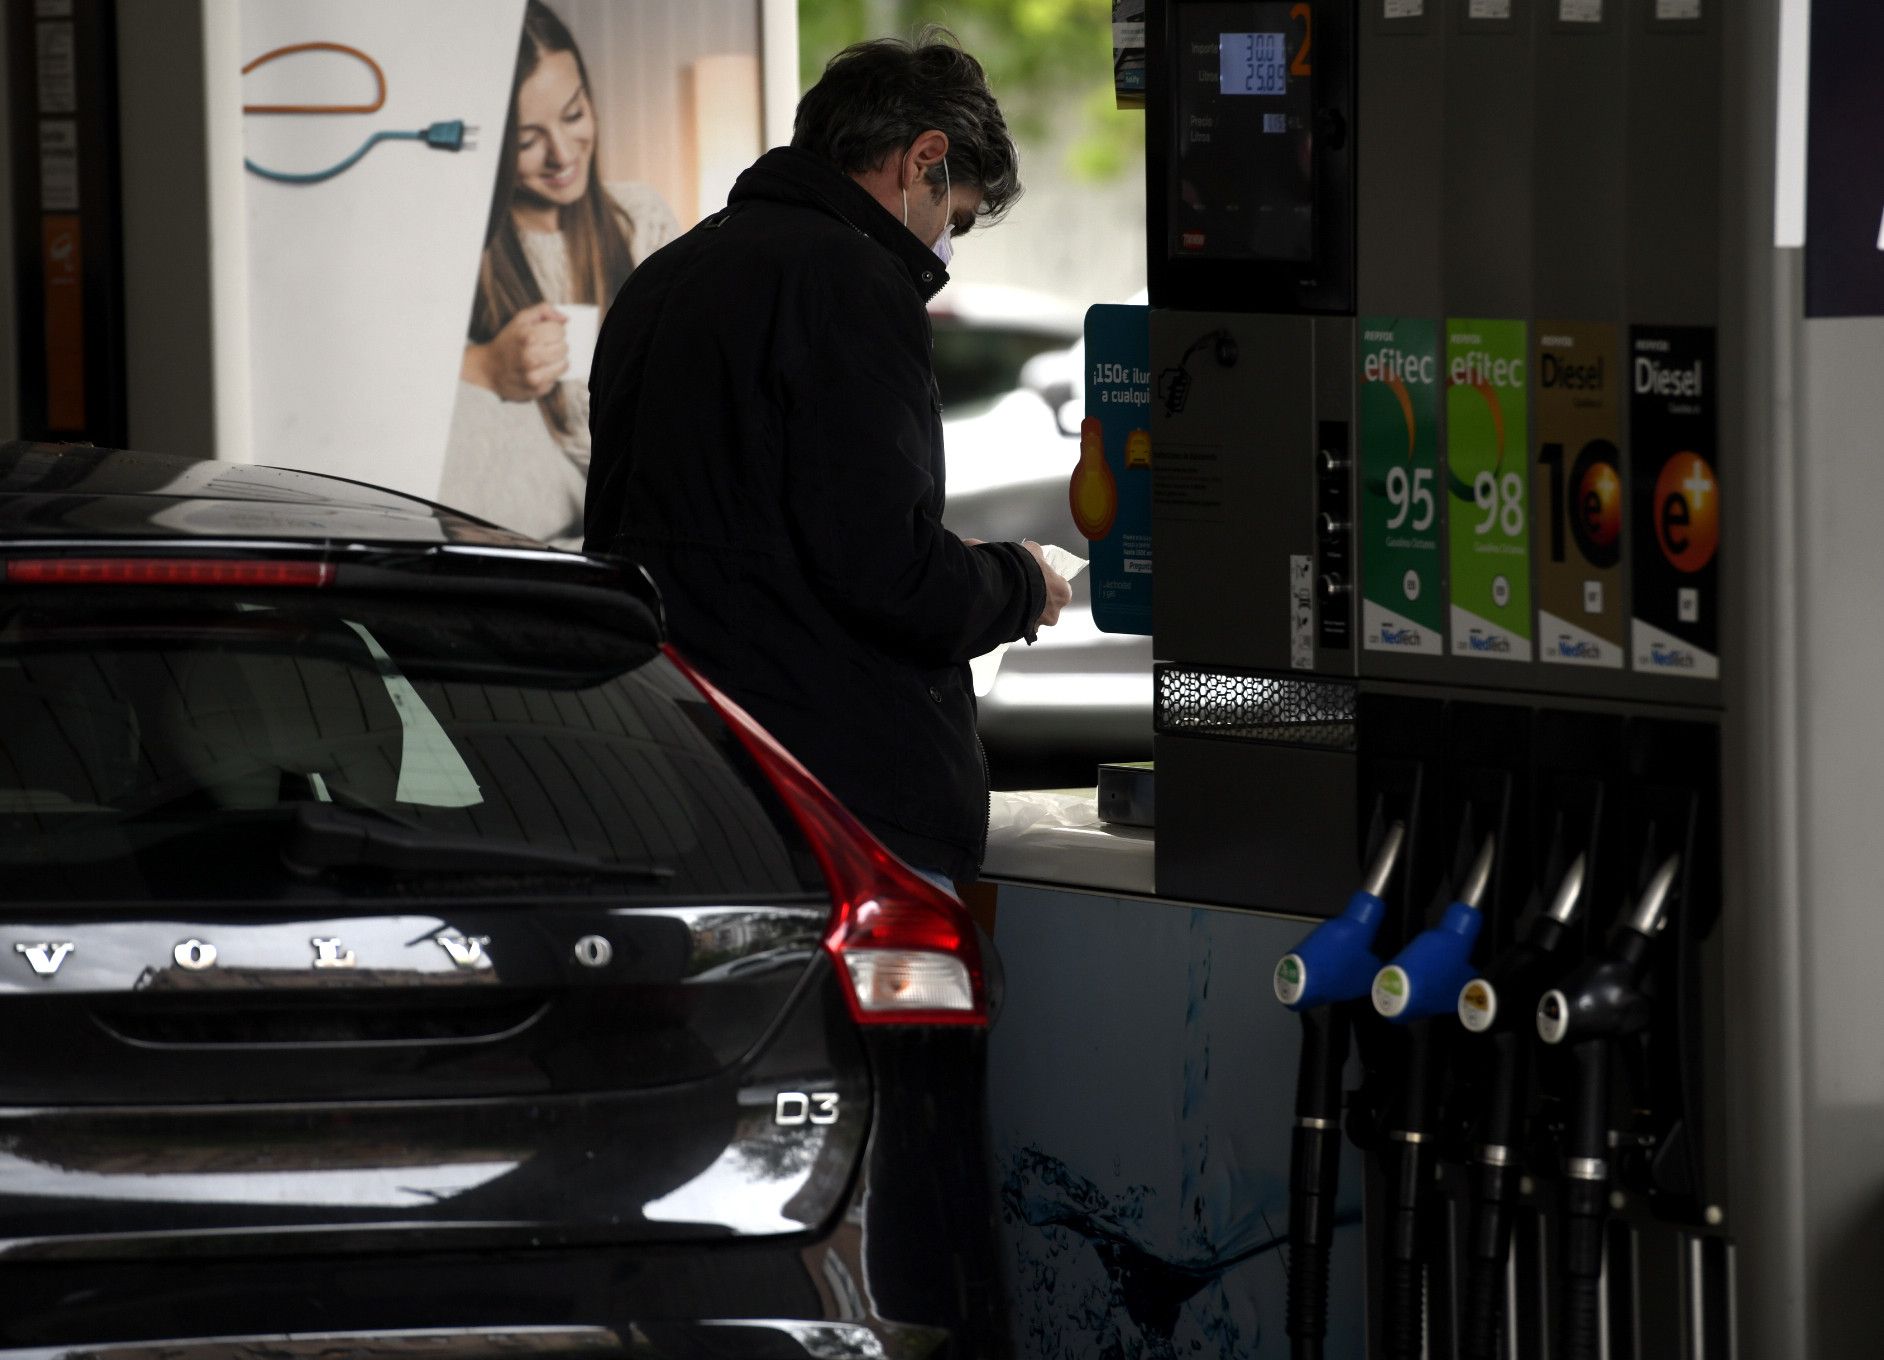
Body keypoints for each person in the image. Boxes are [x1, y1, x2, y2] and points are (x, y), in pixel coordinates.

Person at [585, 31, 1073, 888]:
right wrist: (1020, 583)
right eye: (952, 218)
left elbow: (751, 526)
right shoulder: (854, 282)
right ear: (924, 158)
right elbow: (884, 573)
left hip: (669, 766)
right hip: (826, 799)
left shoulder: (665, 275)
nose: (945, 251)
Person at [439, 0, 681, 545]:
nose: (561, 153)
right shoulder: (461, 246)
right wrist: (483, 367)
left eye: (573, 115)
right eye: (527, 140)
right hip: (524, 507)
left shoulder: (637, 218)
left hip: (640, 490)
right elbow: (395, 388)